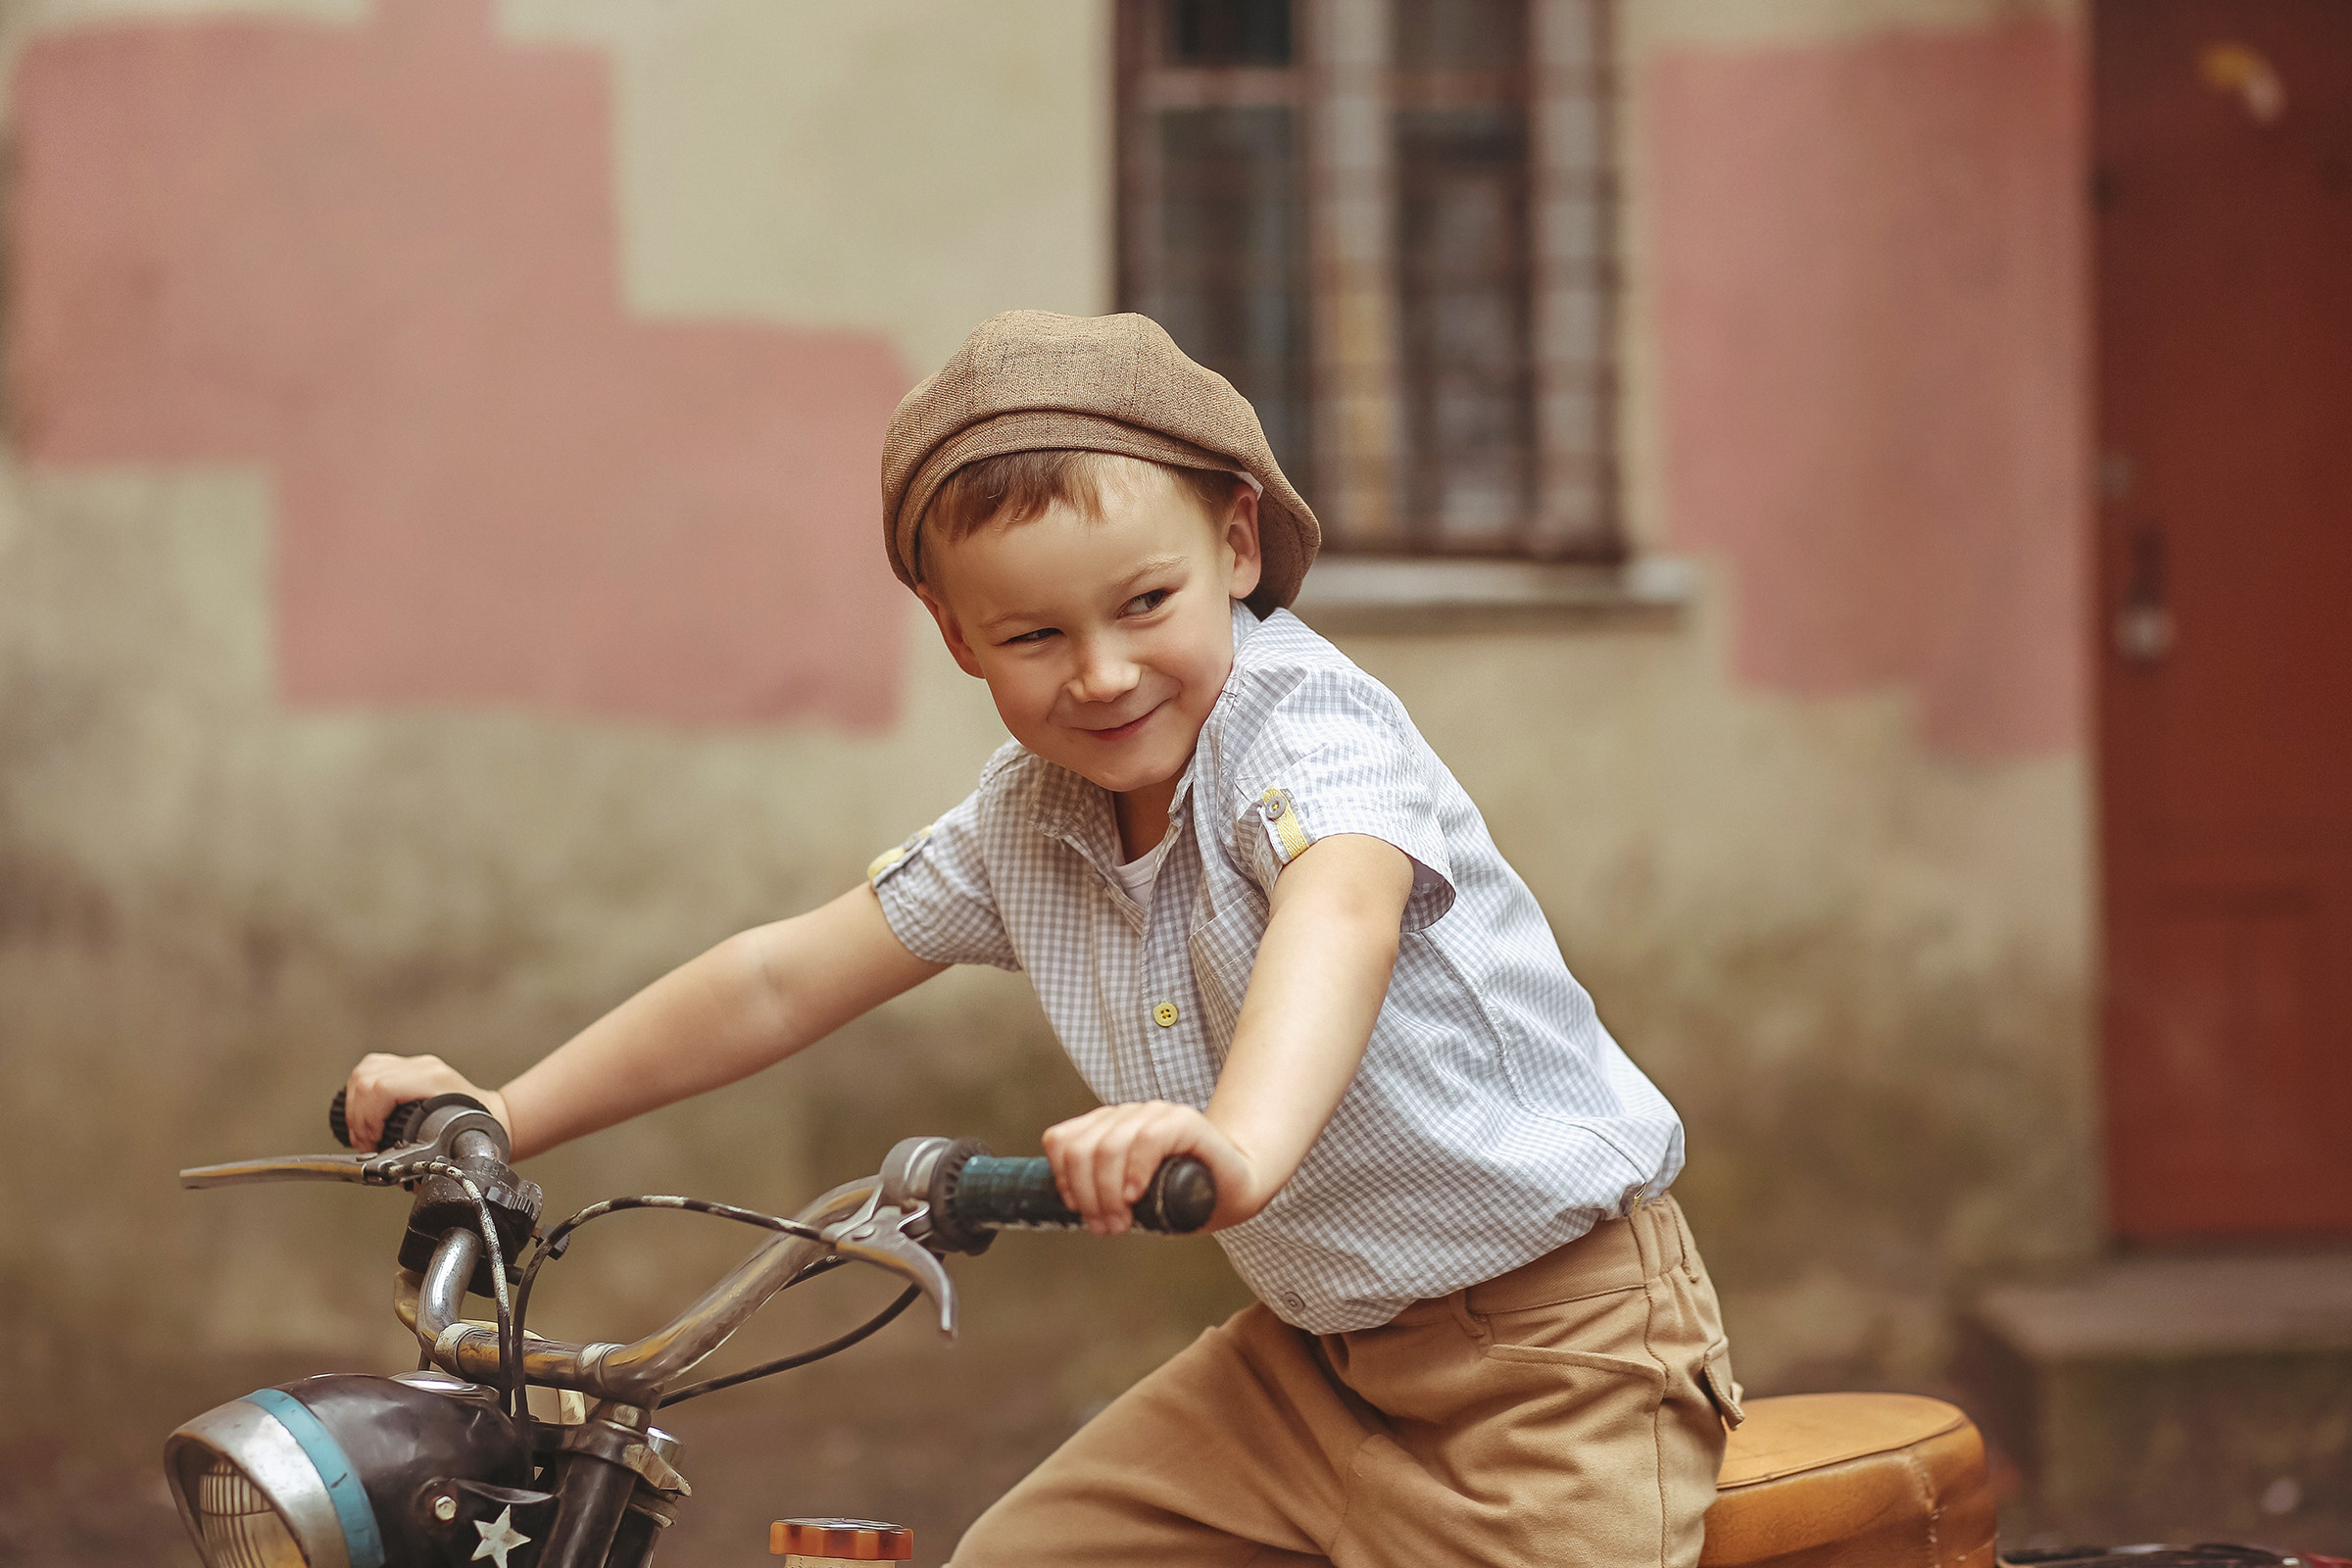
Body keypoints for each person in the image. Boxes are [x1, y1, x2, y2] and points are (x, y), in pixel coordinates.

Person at [346, 310, 1741, 1567]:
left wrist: (1238, 1143)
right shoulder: (1031, 818)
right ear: (956, 637)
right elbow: (779, 980)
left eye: (1147, 603)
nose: (1104, 672)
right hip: (1319, 1365)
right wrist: (503, 1110)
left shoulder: (1307, 730)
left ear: (1237, 547)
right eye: (1033, 635)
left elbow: (1342, 908)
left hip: (1563, 1355)